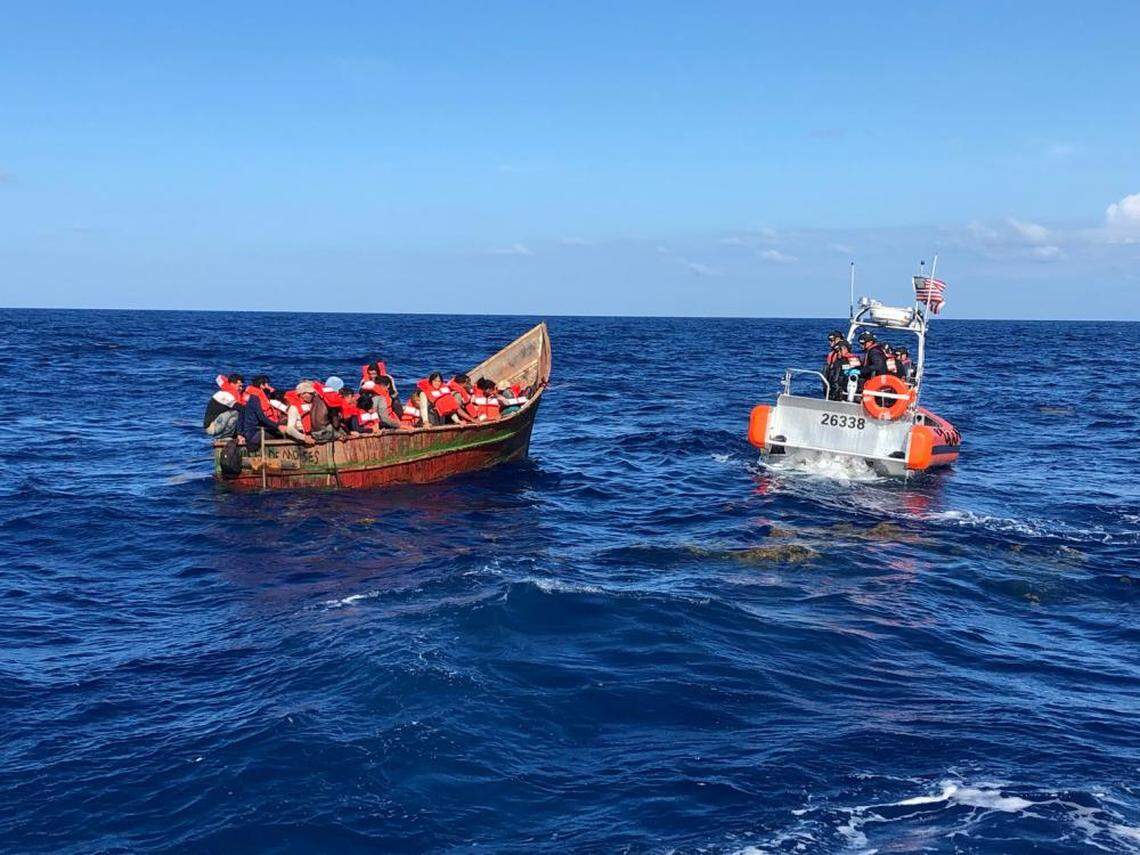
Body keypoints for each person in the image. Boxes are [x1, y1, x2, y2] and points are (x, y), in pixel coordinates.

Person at [240, 382, 282, 452]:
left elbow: (240, 418)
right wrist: (278, 426)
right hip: (254, 432)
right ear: (261, 386)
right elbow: (262, 418)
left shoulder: (247, 401)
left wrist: (239, 434)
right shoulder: (255, 400)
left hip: (248, 432)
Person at [203, 373, 244, 439]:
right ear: (232, 384)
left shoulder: (229, 393)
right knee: (236, 412)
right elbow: (240, 408)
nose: (241, 388)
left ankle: (231, 435)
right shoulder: (224, 395)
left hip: (218, 423)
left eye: (242, 386)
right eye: (239, 386)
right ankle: (225, 436)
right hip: (212, 427)